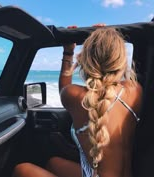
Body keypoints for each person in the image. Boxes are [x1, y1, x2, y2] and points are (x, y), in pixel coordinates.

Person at [12, 27, 142, 177]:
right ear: (121, 60)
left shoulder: (76, 96)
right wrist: (107, 34)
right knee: (53, 163)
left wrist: (68, 51)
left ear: (85, 59)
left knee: (21, 169)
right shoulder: (135, 90)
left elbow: (64, 88)